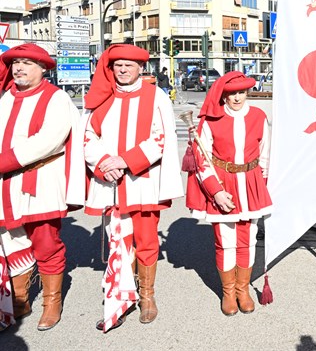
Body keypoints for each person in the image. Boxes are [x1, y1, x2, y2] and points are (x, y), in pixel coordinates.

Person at [83, 44, 183, 328]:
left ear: (141, 68)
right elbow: (88, 136)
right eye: (118, 66)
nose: (123, 70)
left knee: (147, 240)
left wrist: (124, 161)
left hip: (143, 181)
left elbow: (162, 137)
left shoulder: (156, 96)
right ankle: (122, 294)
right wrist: (104, 162)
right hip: (109, 181)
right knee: (119, 239)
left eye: (129, 65)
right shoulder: (102, 97)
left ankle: (147, 296)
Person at [0, 44, 84, 331]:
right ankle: (20, 299)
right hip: (6, 185)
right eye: (16, 63)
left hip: (41, 182)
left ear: (42, 68)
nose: (19, 68)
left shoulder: (56, 99)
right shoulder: (5, 98)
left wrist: (3, 161)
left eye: (27, 63)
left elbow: (48, 140)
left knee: (46, 243)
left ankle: (52, 303)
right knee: (11, 241)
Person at [185, 71, 272, 316]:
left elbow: (265, 153)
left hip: (251, 184)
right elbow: (201, 159)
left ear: (247, 92)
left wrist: (260, 186)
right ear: (224, 94)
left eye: (241, 92)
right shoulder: (211, 119)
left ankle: (242, 290)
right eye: (232, 93)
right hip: (223, 184)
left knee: (248, 240)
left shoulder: (258, 116)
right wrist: (216, 192)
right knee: (226, 243)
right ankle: (228, 292)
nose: (237, 98)